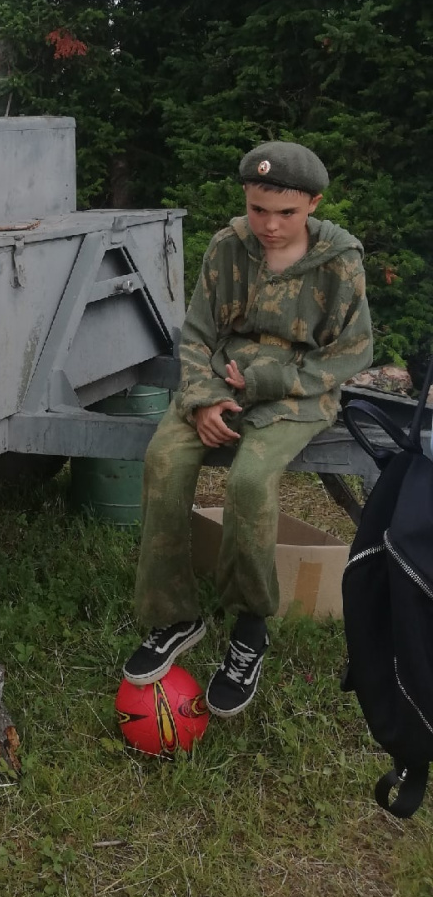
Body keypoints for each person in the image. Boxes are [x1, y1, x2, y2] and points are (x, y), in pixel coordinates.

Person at [123, 141, 373, 716]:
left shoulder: (339, 260)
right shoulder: (227, 247)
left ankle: (250, 626)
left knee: (249, 482)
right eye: (259, 208)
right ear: (245, 195)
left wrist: (270, 379)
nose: (270, 224)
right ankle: (174, 615)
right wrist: (203, 400)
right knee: (164, 460)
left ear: (312, 204)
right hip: (220, 380)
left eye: (286, 212)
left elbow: (352, 351)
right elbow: (196, 334)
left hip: (298, 392)